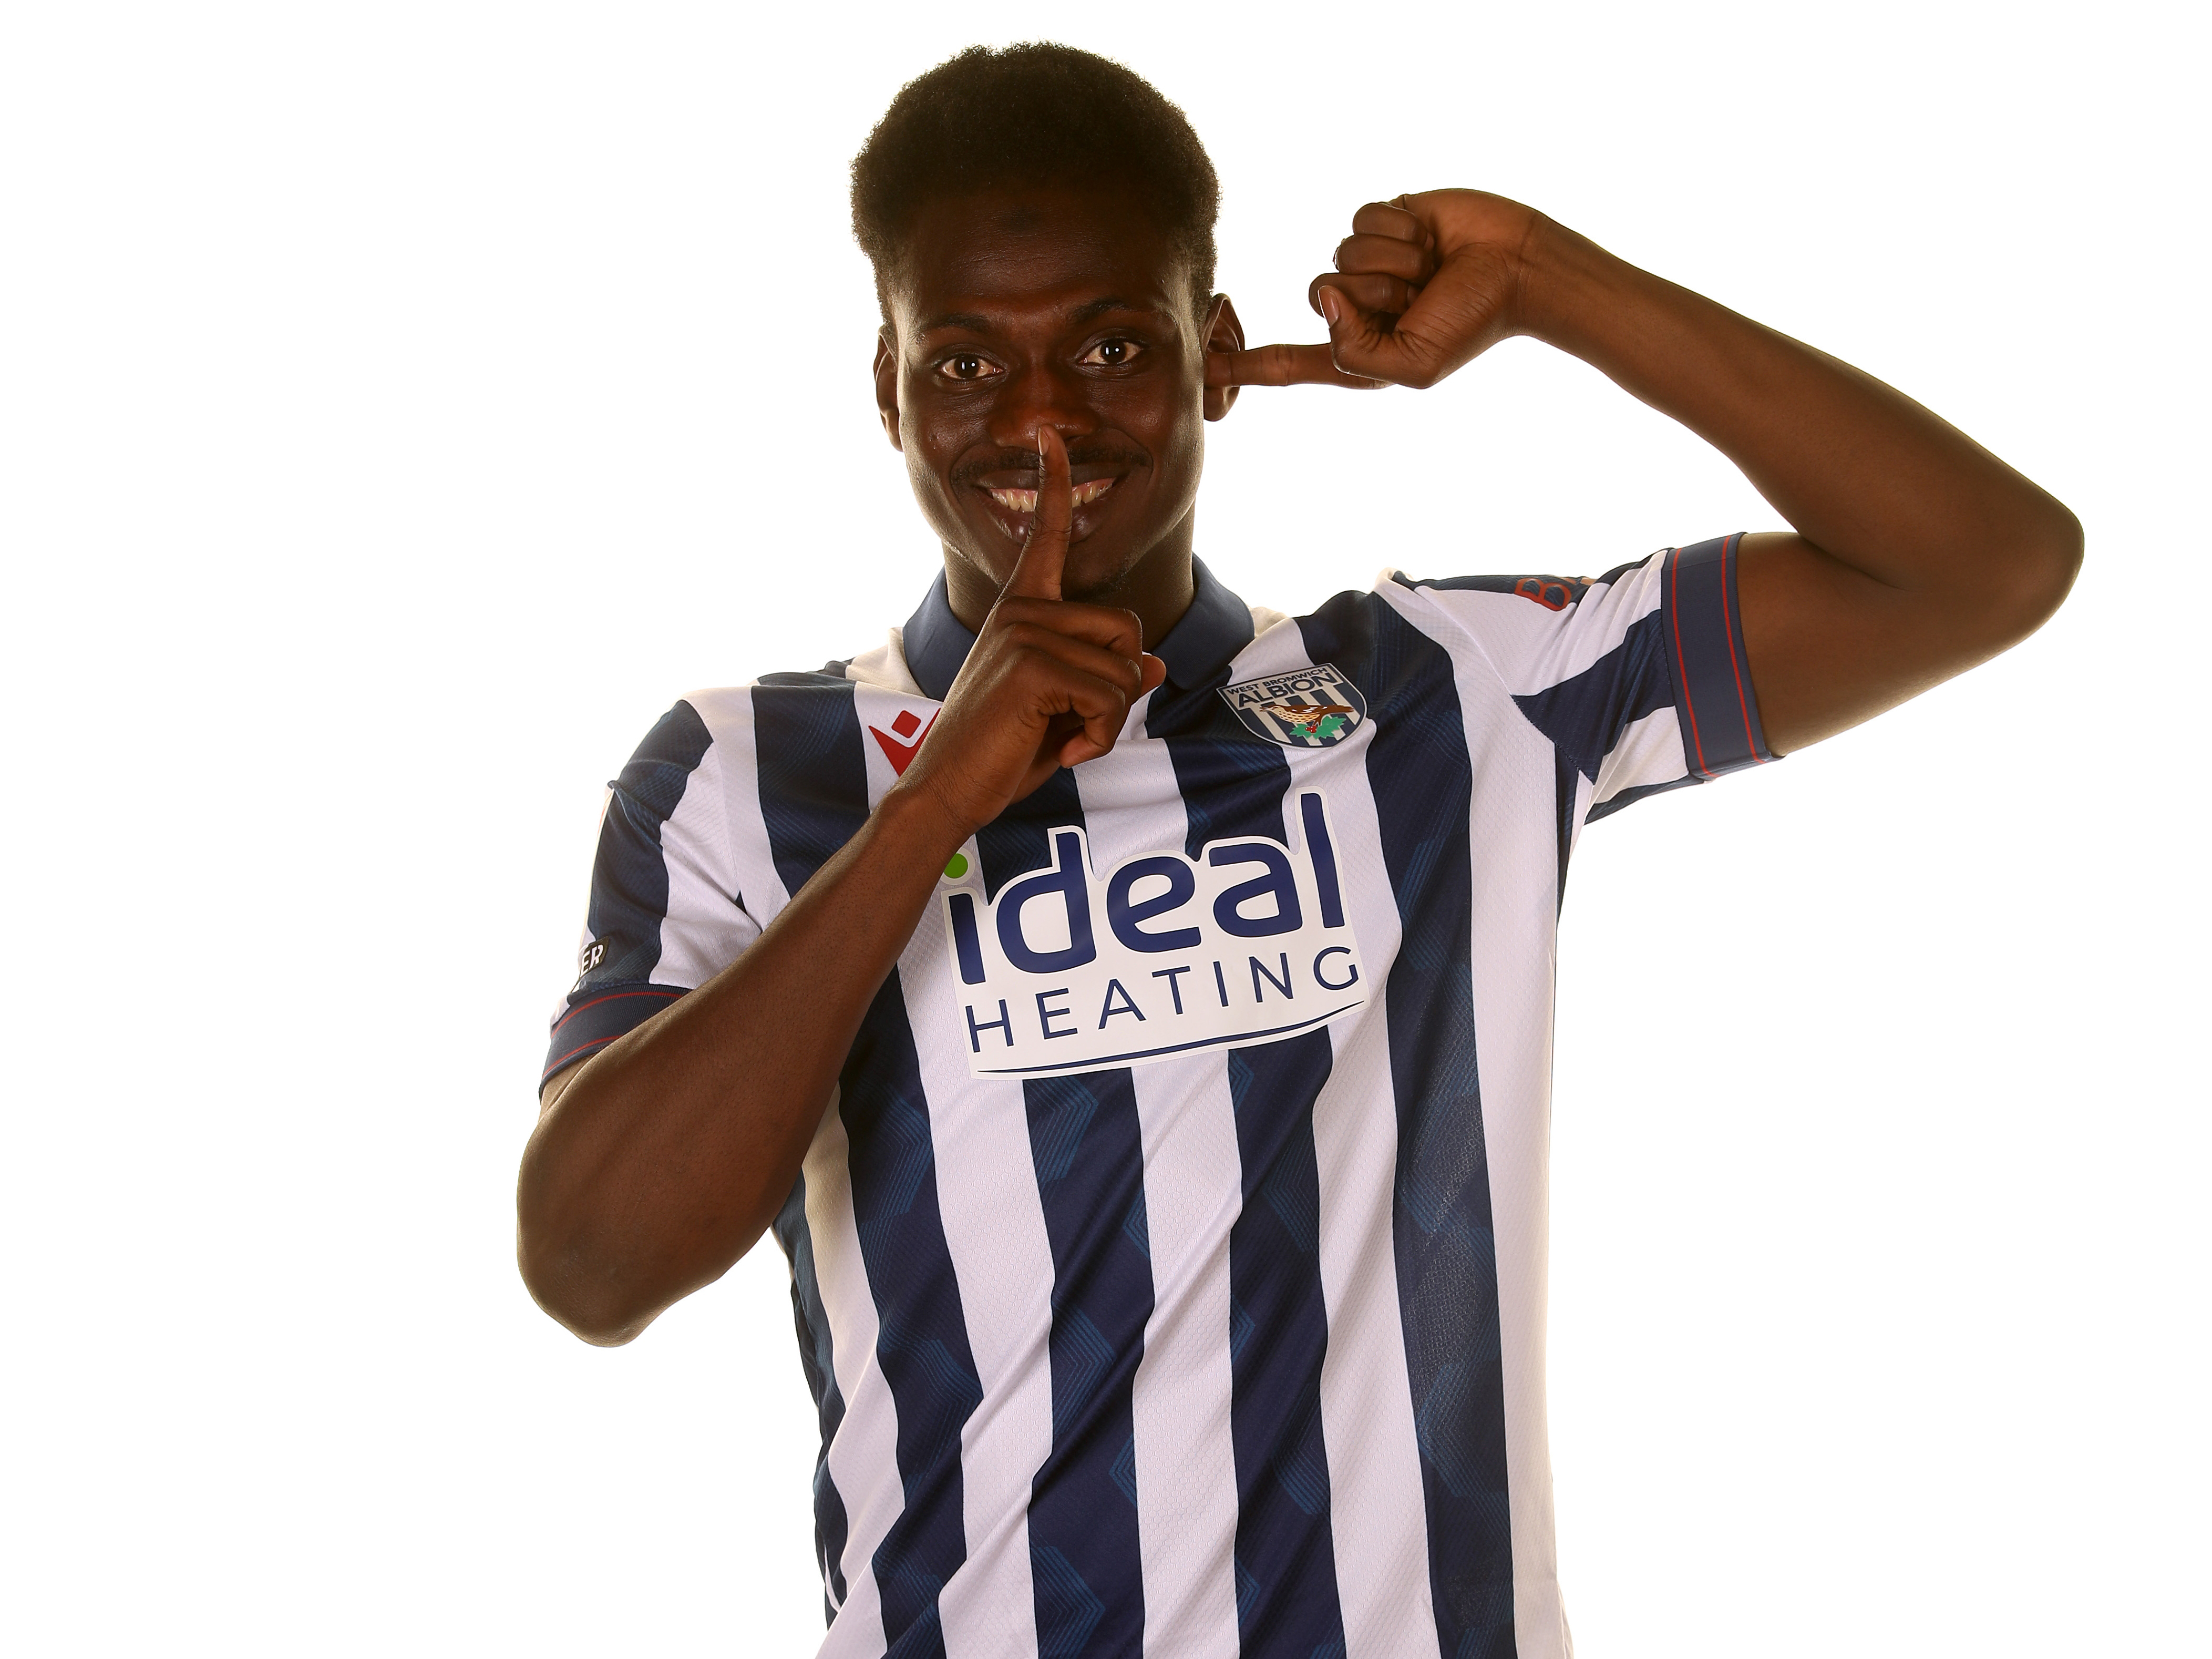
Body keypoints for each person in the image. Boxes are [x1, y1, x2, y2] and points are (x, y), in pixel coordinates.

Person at [515, 41, 2080, 1659]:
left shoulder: (1443, 691)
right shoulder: (745, 769)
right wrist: (928, 813)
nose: (1040, 420)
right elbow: (591, 1262)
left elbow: (1982, 563)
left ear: (1209, 357)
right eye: (967, 363)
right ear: (888, 387)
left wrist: (1548, 280)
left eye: (1111, 344)